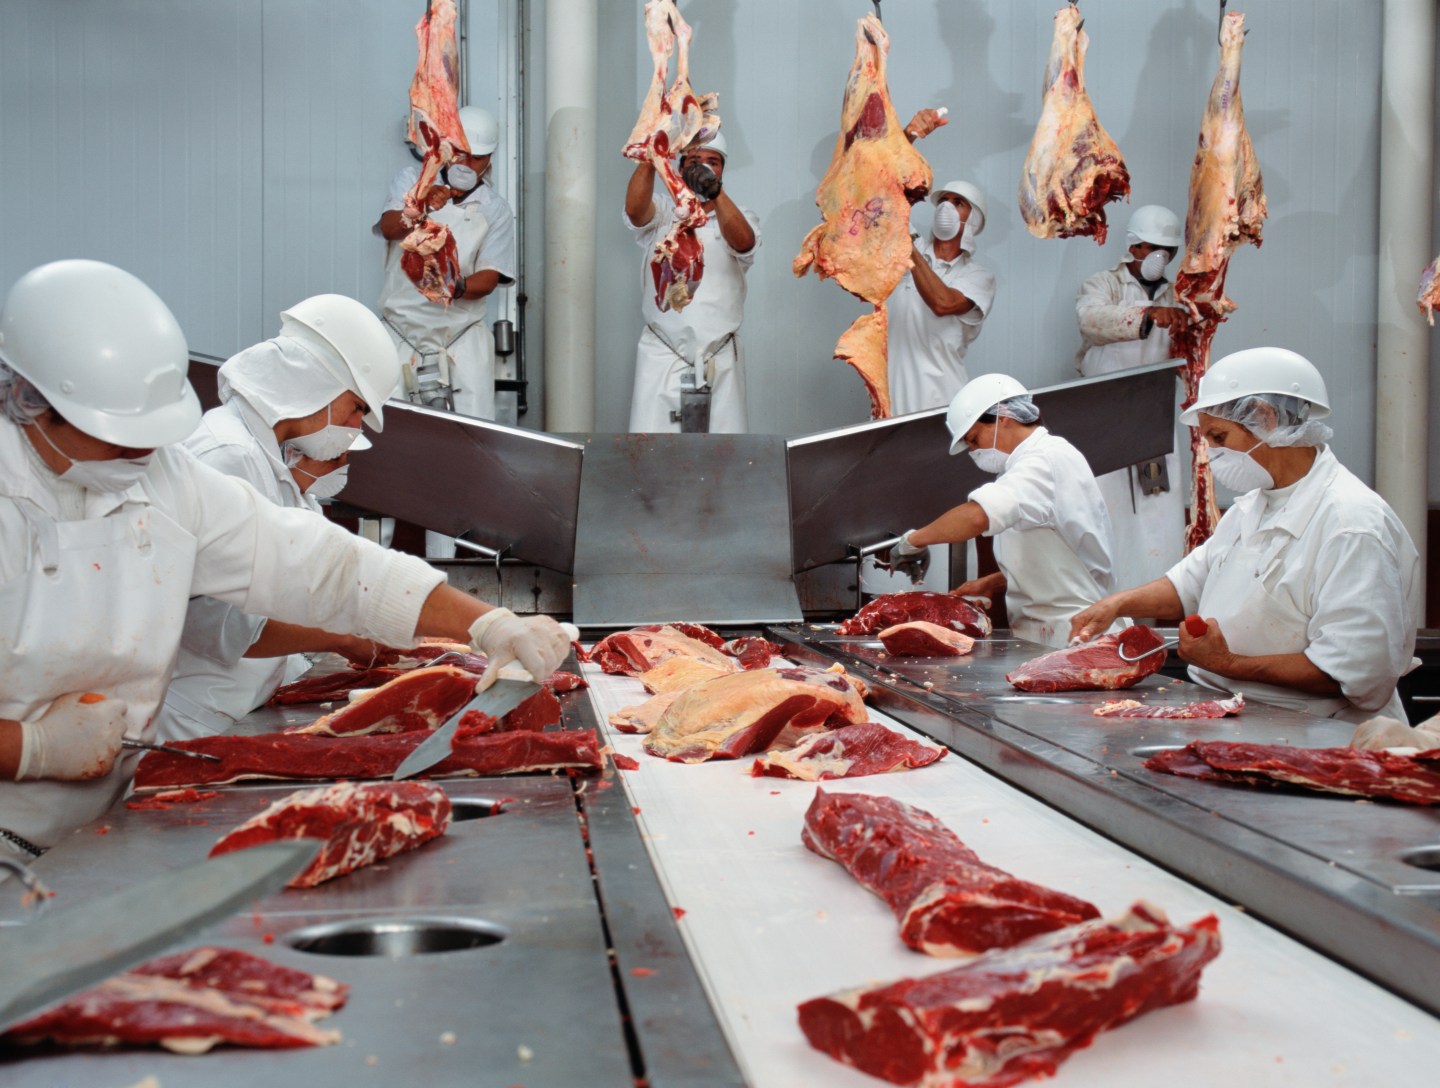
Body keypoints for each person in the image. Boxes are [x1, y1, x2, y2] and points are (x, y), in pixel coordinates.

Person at [0, 260, 571, 857]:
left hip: (102, 824)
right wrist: (31, 748)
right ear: (30, 400)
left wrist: (488, 624)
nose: (140, 452)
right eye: (118, 433)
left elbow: (317, 563)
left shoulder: (165, 478)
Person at [1070, 347, 1421, 724]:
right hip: (1240, 715)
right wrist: (1116, 605)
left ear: (1265, 418)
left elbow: (1354, 673)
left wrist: (1227, 663)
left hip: (1321, 732)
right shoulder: (1251, 507)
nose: (1211, 454)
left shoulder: (1351, 524)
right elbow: (1188, 585)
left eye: (1219, 437)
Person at [155, 294, 405, 742]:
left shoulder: (266, 460)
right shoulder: (227, 455)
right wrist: (343, 636)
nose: (355, 427)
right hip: (195, 719)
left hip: (238, 706)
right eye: (356, 408)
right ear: (315, 386)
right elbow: (214, 624)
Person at [879, 374, 1118, 648]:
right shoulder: (1025, 465)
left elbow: (976, 516)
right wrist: (995, 582)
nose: (974, 451)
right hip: (1050, 633)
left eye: (974, 439)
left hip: (1075, 634)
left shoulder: (1045, 460)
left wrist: (912, 541)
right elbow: (1060, 560)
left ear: (1003, 418)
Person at [374, 105, 515, 421]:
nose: (465, 164)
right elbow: (389, 228)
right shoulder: (411, 180)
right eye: (459, 154)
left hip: (460, 340)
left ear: (490, 159)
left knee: (469, 435)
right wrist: (420, 205)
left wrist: (453, 286)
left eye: (476, 158)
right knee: (394, 434)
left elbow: (489, 277)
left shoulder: (496, 209)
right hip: (399, 334)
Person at [1075, 204, 1188, 587]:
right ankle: (1106, 594)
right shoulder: (1103, 284)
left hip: (1153, 413)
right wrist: (1147, 314)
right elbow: (1090, 321)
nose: (1160, 256)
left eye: (1167, 250)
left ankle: (1154, 595)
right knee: (1107, 504)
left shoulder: (1179, 294)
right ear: (1133, 247)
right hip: (1105, 411)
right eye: (1151, 247)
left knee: (1158, 510)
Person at [624, 130, 760, 432]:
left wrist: (715, 192)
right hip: (662, 355)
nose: (705, 167)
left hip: (719, 357)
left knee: (724, 454)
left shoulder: (739, 215)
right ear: (681, 165)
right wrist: (653, 157)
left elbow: (743, 241)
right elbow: (635, 211)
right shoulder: (663, 212)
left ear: (723, 170)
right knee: (653, 451)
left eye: (714, 162)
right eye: (696, 160)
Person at [886, 178, 997, 417]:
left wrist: (907, 246)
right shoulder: (909, 246)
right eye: (943, 201)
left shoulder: (978, 277)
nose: (946, 207)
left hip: (941, 400)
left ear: (974, 218)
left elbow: (943, 303)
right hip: (890, 397)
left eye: (958, 203)